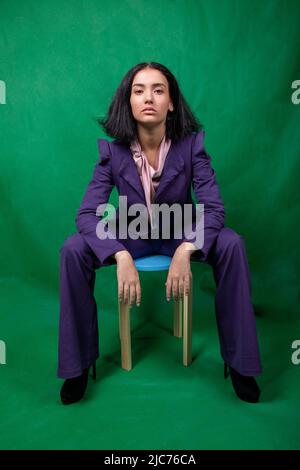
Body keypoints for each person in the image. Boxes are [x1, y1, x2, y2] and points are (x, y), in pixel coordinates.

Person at [58, 62, 262, 405]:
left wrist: (186, 249)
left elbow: (214, 209)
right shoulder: (111, 152)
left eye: (158, 90)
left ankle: (240, 363)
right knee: (73, 248)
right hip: (130, 236)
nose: (148, 97)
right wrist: (119, 254)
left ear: (171, 102)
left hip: (179, 233)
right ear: (129, 102)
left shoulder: (192, 146)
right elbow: (87, 214)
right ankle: (78, 364)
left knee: (231, 243)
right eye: (138, 91)